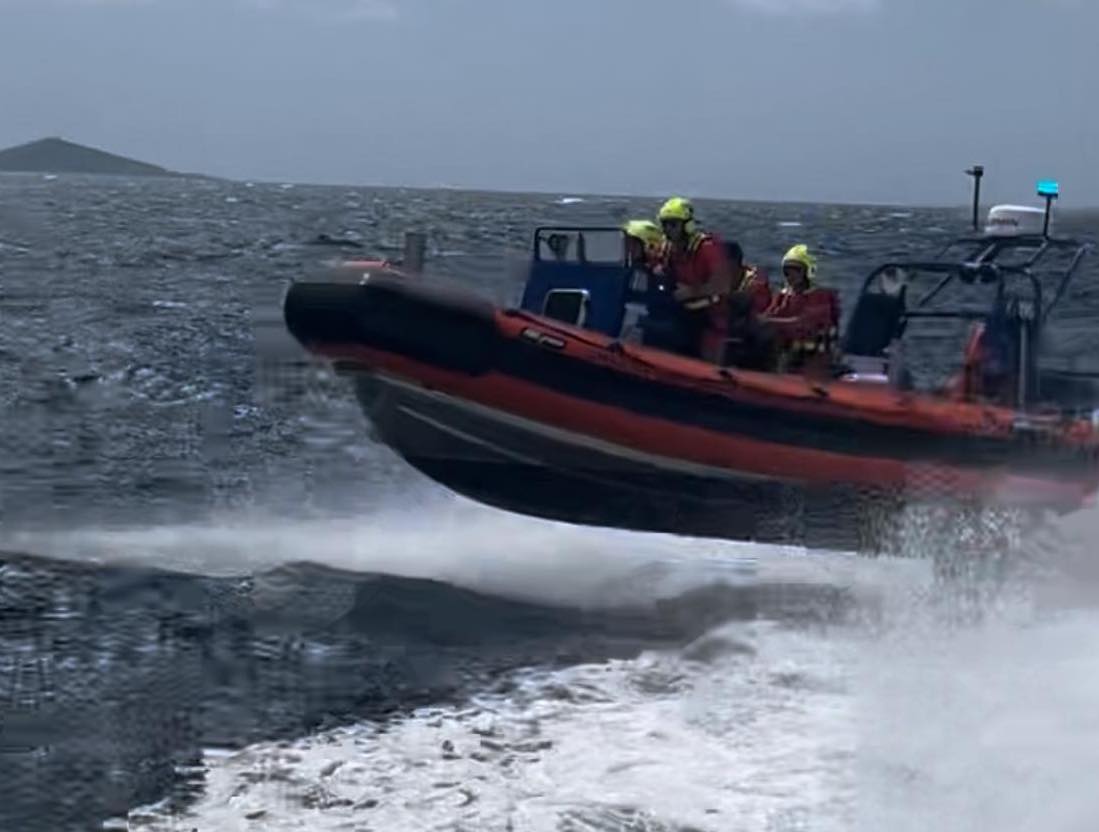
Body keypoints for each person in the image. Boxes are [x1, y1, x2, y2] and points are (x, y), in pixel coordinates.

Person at [653, 197, 736, 362]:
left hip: (710, 313)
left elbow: (723, 285)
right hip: (679, 310)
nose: (668, 229)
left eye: (673, 224)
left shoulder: (706, 247)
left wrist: (691, 292)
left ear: (687, 225)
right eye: (665, 224)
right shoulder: (667, 247)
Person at [762, 244, 841, 373]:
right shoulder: (783, 295)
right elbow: (770, 315)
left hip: (814, 357)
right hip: (787, 353)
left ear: (807, 272)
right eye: (787, 271)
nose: (791, 275)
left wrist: (769, 322)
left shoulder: (821, 297)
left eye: (796, 270)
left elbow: (803, 324)